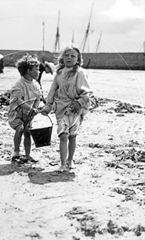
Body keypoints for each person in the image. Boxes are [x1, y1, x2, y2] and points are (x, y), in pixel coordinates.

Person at [41, 43, 93, 171]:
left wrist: (79, 102)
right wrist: (48, 106)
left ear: (78, 59)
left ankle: (70, 160)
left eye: (73, 56)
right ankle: (63, 163)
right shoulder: (59, 72)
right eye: (67, 55)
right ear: (62, 58)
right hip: (61, 108)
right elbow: (53, 90)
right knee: (63, 135)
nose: (69, 58)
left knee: (72, 135)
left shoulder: (80, 73)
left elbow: (87, 92)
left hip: (75, 109)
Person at [8, 54, 43, 163]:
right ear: (28, 70)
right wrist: (30, 108)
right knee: (20, 128)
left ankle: (28, 155)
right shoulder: (19, 84)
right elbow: (17, 100)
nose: (39, 72)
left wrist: (35, 109)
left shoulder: (35, 85)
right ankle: (16, 152)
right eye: (36, 69)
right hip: (16, 114)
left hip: (28, 114)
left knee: (28, 132)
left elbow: (38, 98)